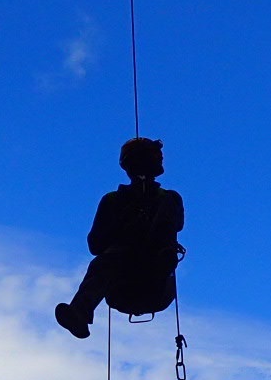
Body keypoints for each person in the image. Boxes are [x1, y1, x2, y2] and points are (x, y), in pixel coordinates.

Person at [54, 137, 182, 339]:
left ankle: (80, 309)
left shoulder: (168, 199)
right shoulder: (113, 201)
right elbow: (95, 245)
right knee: (111, 257)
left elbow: (171, 228)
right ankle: (80, 311)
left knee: (118, 255)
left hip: (154, 275)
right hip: (125, 282)